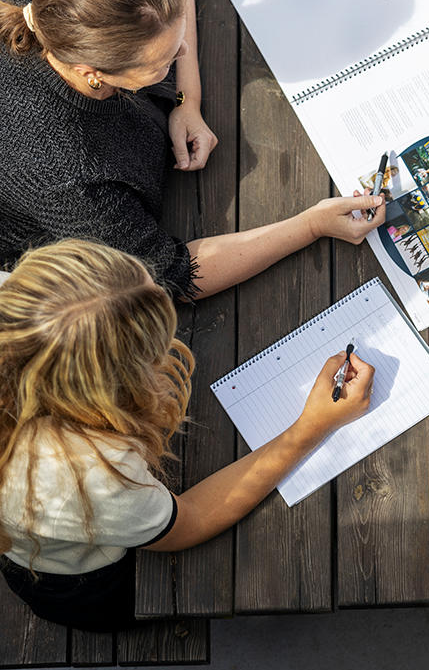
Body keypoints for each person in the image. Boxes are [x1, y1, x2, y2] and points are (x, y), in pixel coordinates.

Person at [0, 240, 375, 632]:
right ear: (112, 390)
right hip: (87, 584)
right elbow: (189, 521)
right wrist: (310, 427)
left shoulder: (18, 301)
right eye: (152, 356)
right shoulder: (88, 476)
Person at [0, 0, 383, 300]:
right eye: (164, 61)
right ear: (94, 74)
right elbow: (172, 278)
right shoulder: (66, 173)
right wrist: (311, 225)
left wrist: (188, 98)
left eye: (179, 38)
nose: (184, 53)